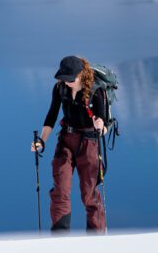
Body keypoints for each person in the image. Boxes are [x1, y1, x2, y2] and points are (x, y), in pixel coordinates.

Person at [31, 55, 108, 233]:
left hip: (89, 144)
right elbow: (51, 115)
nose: (66, 82)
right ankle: (60, 238)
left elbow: (104, 124)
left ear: (81, 74)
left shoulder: (97, 90)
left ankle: (97, 239)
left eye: (70, 79)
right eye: (64, 78)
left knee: (89, 194)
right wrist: (41, 140)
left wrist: (100, 126)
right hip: (66, 140)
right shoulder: (60, 88)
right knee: (60, 189)